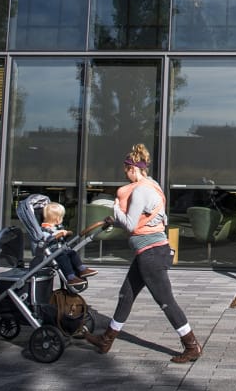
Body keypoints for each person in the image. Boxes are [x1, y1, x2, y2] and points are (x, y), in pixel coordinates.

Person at [85, 144, 202, 363]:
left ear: (132, 168)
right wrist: (116, 221)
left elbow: (130, 224)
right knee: (126, 295)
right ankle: (106, 340)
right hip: (147, 252)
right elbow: (140, 223)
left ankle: (191, 345)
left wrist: (115, 209)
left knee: (166, 301)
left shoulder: (139, 191)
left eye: (125, 170)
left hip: (151, 255)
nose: (124, 174)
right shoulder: (153, 185)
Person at [41, 202, 98, 286]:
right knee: (64, 258)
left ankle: (82, 269)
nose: (62, 219)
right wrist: (58, 233)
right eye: (62, 217)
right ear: (57, 219)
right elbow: (47, 239)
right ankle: (71, 277)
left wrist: (65, 233)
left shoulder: (58, 227)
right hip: (52, 253)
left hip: (61, 249)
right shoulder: (44, 228)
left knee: (72, 253)